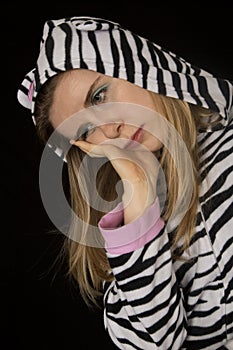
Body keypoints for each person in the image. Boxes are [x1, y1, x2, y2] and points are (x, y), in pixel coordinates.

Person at [17, 16, 233, 349]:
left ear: (136, 64)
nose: (109, 128)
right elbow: (153, 345)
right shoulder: (130, 224)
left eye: (100, 96)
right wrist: (139, 196)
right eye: (86, 131)